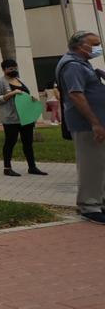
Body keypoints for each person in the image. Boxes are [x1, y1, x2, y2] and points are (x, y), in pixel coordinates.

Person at [55, 30, 105, 225]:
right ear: (80, 46)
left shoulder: (83, 64)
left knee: (100, 164)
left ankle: (99, 200)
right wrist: (95, 122)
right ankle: (89, 206)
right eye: (94, 44)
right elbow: (76, 95)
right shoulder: (72, 66)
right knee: (91, 164)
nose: (97, 48)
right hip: (87, 124)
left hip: (96, 123)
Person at [0, 58, 46, 177]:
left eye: (15, 68)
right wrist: (11, 93)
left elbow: (24, 96)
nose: (13, 70)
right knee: (10, 142)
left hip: (25, 117)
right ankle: (7, 167)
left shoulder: (19, 80)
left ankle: (32, 167)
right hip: (10, 118)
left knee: (28, 142)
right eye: (10, 68)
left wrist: (31, 98)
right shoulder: (0, 82)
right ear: (4, 69)